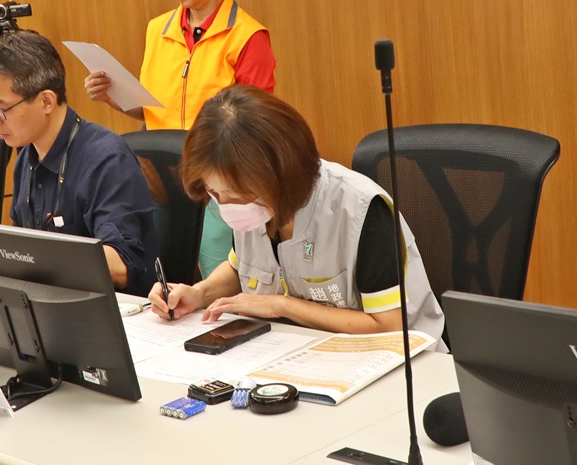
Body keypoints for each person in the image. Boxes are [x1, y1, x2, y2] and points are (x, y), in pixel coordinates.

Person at [148, 86, 443, 337]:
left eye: (237, 195)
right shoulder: (250, 206)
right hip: (294, 355)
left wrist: (283, 305)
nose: (226, 206)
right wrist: (198, 293)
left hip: (397, 366)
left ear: (281, 175)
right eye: (215, 193)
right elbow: (241, 269)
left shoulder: (360, 209)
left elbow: (388, 326)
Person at [84, 0, 275, 276]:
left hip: (220, 179)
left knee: (214, 270)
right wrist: (114, 97)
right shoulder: (158, 29)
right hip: (162, 176)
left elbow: (255, 124)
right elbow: (153, 110)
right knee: (163, 268)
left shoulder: (248, 36)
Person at [0, 30, 156, 291]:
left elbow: (122, 265)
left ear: (46, 101)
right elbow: (21, 245)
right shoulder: (27, 155)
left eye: (0, 108)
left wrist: (34, 256)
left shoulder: (106, 159)